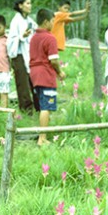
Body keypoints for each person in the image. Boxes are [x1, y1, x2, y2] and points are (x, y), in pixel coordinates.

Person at [29, 8, 64, 146]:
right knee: (46, 106)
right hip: (45, 74)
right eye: (52, 21)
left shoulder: (33, 37)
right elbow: (54, 60)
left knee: (42, 103)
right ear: (45, 22)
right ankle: (42, 138)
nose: (53, 24)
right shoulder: (50, 38)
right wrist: (60, 72)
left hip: (34, 74)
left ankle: (42, 135)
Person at [7, 0, 37, 113]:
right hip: (18, 54)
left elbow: (36, 28)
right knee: (22, 82)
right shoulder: (16, 21)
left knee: (32, 80)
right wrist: (21, 36)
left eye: (30, 3)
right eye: (27, 3)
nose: (30, 6)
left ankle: (36, 106)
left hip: (28, 54)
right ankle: (26, 109)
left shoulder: (28, 20)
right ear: (20, 5)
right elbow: (11, 40)